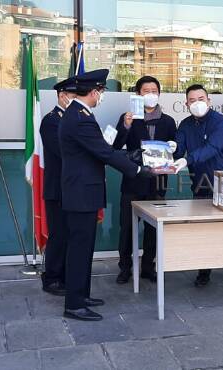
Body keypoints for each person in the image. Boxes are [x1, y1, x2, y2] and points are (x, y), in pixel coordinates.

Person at [59, 69, 155, 321]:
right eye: (100, 92)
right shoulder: (79, 118)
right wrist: (136, 169)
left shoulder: (78, 114)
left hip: (83, 191)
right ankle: (74, 304)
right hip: (81, 193)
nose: (101, 96)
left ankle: (81, 295)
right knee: (80, 249)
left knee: (84, 247)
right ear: (93, 92)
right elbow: (104, 152)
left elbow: (102, 150)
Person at [173, 84, 223, 287]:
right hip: (201, 183)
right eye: (192, 100)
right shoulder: (185, 125)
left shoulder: (220, 122)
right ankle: (204, 271)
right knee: (203, 231)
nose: (197, 103)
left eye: (201, 99)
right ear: (186, 104)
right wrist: (170, 149)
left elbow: (213, 147)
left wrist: (187, 160)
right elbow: (178, 149)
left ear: (209, 101)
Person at [112, 76, 177, 284]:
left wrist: (173, 147)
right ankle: (125, 267)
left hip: (157, 181)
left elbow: (174, 148)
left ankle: (148, 266)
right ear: (138, 94)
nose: (150, 94)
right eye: (145, 90)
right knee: (127, 228)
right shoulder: (128, 116)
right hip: (133, 180)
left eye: (154, 90)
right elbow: (116, 145)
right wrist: (126, 126)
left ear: (159, 94)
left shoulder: (167, 121)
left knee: (153, 228)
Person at [39, 76, 77, 296]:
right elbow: (63, 153)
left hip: (72, 187)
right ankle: (52, 278)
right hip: (58, 187)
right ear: (62, 96)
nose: (76, 99)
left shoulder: (74, 119)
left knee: (69, 234)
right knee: (59, 234)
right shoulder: (52, 120)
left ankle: (64, 275)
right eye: (73, 95)